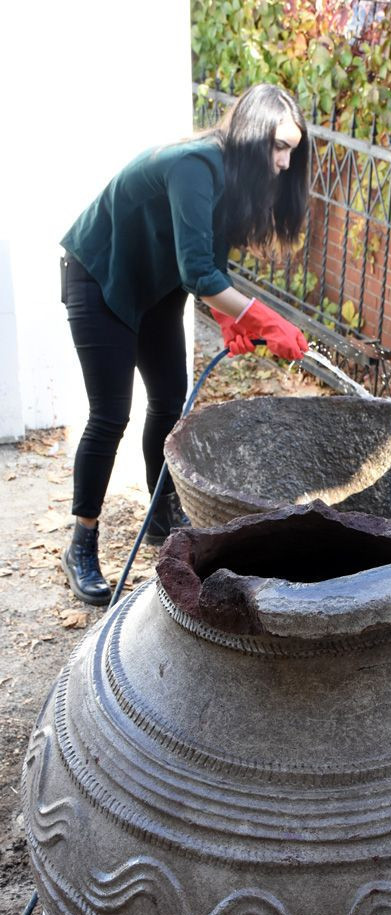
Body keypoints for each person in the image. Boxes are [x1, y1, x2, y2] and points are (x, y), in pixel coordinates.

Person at [60, 83, 310, 606]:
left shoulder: (231, 179)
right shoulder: (195, 165)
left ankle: (160, 513)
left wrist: (229, 320)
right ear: (250, 136)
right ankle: (82, 540)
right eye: (279, 147)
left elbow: (208, 266)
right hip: (99, 278)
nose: (286, 162)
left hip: (154, 287)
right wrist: (265, 319)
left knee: (170, 404)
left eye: (292, 148)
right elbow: (198, 273)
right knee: (111, 414)